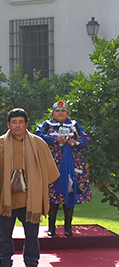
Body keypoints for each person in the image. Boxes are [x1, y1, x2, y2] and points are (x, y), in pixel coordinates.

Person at [0, 108, 59, 267]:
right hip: (8, 198)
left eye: (20, 122)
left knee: (32, 234)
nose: (17, 126)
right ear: (8, 124)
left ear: (26, 124)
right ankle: (5, 263)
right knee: (4, 233)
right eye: (14, 122)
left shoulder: (38, 143)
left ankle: (31, 264)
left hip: (31, 198)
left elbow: (50, 172)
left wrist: (38, 183)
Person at [35, 100, 91, 237]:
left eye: (63, 111)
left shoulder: (74, 125)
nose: (60, 113)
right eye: (57, 111)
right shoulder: (47, 125)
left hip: (72, 164)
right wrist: (54, 140)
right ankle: (51, 227)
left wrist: (75, 142)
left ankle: (68, 227)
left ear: (68, 113)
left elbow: (85, 139)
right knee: (52, 195)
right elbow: (37, 137)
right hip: (52, 164)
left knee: (70, 192)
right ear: (53, 113)